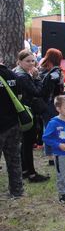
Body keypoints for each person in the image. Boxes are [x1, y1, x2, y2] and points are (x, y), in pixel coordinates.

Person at [13, 49, 49, 182]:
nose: (31, 64)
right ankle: (31, 173)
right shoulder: (23, 76)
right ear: (20, 62)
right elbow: (37, 92)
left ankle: (25, 170)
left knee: (26, 143)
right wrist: (37, 78)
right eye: (27, 61)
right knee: (28, 143)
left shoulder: (17, 73)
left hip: (23, 111)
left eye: (33, 60)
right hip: (27, 112)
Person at [42, 95, 65, 204]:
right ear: (58, 109)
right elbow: (46, 137)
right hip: (60, 154)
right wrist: (58, 145)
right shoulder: (54, 123)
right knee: (62, 174)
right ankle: (62, 194)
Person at [0, 61, 25, 199]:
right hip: (13, 123)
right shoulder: (13, 75)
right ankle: (17, 190)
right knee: (14, 158)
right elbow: (19, 97)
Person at [38, 48, 65, 166]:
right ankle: (53, 154)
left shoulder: (41, 70)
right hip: (53, 102)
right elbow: (57, 88)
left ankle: (49, 153)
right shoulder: (56, 72)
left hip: (43, 102)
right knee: (54, 127)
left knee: (47, 127)